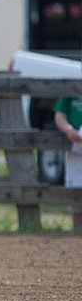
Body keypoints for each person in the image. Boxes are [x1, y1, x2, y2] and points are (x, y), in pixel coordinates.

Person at [53, 96, 82, 233]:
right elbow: (60, 114)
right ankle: (77, 233)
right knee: (75, 193)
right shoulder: (72, 88)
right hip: (76, 146)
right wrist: (68, 130)